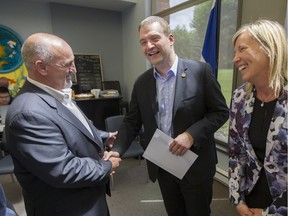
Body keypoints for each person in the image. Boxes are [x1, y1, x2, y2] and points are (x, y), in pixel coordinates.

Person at [111, 16, 229, 216]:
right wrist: (117, 150)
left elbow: (220, 112)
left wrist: (190, 135)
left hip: (196, 166)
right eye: (143, 42)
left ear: (171, 39)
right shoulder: (142, 83)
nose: (149, 46)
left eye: (154, 38)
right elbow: (132, 121)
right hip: (163, 165)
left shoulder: (201, 72)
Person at [4, 33, 121, 216]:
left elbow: (73, 125)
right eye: (67, 64)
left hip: (87, 199)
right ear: (41, 67)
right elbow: (64, 170)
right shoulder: (28, 115)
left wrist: (102, 136)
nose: (74, 69)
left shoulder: (56, 90)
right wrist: (107, 166)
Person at [228, 19, 287, 216]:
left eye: (242, 49)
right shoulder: (239, 97)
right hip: (250, 201)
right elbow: (236, 153)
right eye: (235, 52)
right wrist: (237, 199)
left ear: (269, 48)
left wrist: (269, 213)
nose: (235, 59)